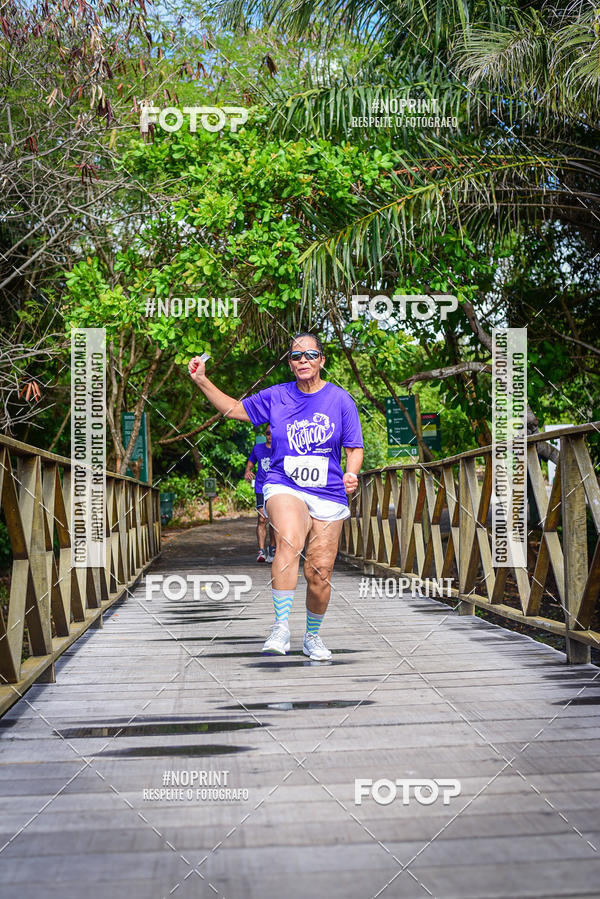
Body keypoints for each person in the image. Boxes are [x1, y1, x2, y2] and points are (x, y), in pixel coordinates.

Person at [188, 333, 363, 660]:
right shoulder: (277, 396)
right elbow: (235, 410)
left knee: (319, 574)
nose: (303, 361)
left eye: (311, 355)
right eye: (296, 357)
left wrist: (351, 473)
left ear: (322, 360)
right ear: (290, 363)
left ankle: (312, 636)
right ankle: (281, 627)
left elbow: (354, 447)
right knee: (289, 541)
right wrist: (202, 380)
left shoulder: (341, 400)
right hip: (285, 483)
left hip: (328, 490)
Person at [244, 425, 276, 563]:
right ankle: (261, 551)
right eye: (268, 433)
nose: (270, 435)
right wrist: (247, 472)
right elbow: (250, 464)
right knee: (262, 519)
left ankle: (273, 548)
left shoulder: (281, 448)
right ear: (265, 434)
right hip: (261, 488)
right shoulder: (258, 449)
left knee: (274, 521)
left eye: (272, 433)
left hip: (276, 488)